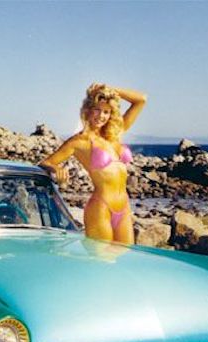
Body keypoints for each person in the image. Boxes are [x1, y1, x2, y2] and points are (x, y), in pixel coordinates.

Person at [40, 83, 147, 243]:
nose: (101, 116)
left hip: (124, 207)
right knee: (102, 256)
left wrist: (111, 90)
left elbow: (141, 100)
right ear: (88, 110)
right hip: (100, 207)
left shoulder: (115, 133)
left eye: (106, 112)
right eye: (97, 109)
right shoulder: (79, 141)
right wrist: (56, 168)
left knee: (127, 254)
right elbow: (46, 162)